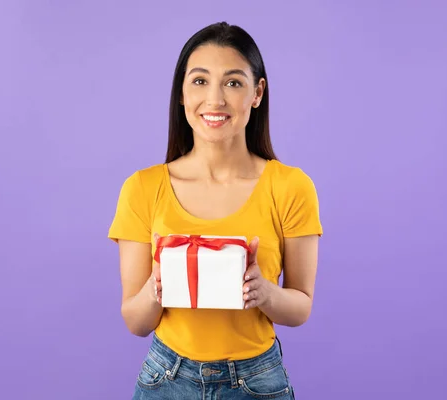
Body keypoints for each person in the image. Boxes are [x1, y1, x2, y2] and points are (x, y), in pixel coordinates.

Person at [108, 21, 322, 400]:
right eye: (200, 81)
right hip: (166, 380)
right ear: (181, 93)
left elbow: (301, 306)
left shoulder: (291, 187)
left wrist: (265, 293)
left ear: (257, 93)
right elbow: (135, 322)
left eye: (234, 82)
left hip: (257, 382)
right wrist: (158, 283)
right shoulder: (142, 188)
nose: (215, 100)